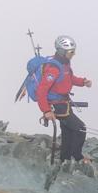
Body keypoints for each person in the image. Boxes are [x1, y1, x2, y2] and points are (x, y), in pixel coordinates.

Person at [36, 35, 92, 163]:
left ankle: (64, 158)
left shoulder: (64, 64)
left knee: (67, 131)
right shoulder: (54, 68)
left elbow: (69, 79)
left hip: (64, 103)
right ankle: (77, 156)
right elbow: (41, 90)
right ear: (62, 51)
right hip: (58, 105)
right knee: (80, 128)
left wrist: (83, 82)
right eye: (71, 52)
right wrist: (46, 111)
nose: (73, 54)